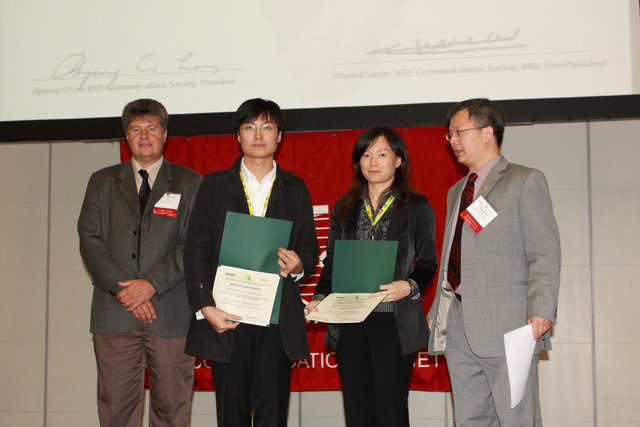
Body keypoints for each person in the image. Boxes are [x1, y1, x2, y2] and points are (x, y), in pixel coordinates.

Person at [183, 98, 319, 427]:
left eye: (267, 127)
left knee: (273, 416)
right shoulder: (214, 186)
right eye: (250, 127)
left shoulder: (296, 189)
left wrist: (299, 263)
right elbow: (195, 249)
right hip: (228, 315)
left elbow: (309, 248)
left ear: (280, 136)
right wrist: (205, 306)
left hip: (276, 318)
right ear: (238, 136)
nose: (259, 134)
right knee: (232, 415)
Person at [427, 98, 561, 426]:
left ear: (488, 132)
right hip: (459, 325)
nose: (453, 140)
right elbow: (452, 253)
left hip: (508, 324)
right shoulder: (458, 189)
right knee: (471, 418)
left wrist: (542, 308)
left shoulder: (524, 180)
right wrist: (438, 311)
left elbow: (544, 251)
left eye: (459, 132)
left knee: (517, 418)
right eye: (450, 135)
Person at [78, 98, 202, 427]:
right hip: (114, 312)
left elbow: (192, 242)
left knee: (173, 409)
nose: (144, 135)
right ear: (126, 136)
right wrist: (127, 292)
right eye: (136, 129)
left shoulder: (189, 183)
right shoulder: (101, 182)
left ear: (164, 134)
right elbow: (90, 240)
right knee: (116, 409)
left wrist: (150, 286)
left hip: (171, 311)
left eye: (151, 128)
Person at [308, 126, 437, 427]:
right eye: (366, 155)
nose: (373, 162)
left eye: (382, 154)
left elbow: (428, 262)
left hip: (393, 321)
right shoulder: (344, 207)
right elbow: (333, 264)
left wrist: (409, 285)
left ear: (398, 160)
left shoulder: (417, 206)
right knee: (357, 411)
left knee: (391, 412)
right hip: (351, 322)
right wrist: (318, 297)